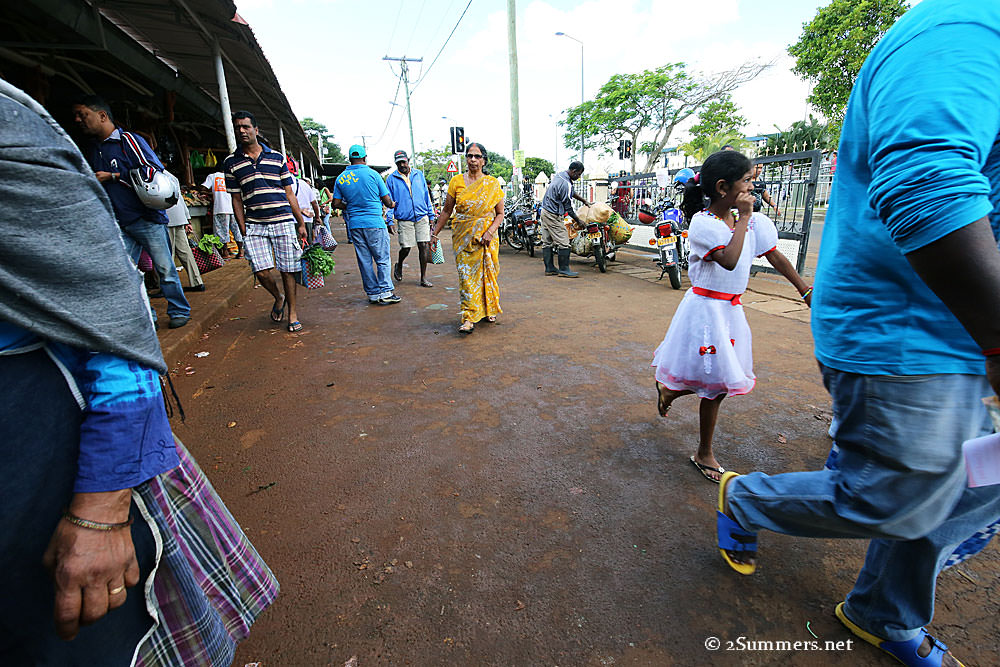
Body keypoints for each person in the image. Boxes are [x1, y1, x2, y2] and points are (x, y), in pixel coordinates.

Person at [714, 3, 1000, 665]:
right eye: (747, 184)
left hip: (965, 329)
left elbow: (772, 255)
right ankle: (747, 496)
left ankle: (884, 610)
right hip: (907, 331)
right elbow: (929, 187)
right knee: (890, 494)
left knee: (974, 481)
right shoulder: (968, 29)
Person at [0, 77, 277, 666]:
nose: (78, 123)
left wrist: (101, 509)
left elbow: (116, 321)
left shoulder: (15, 131)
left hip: (48, 463)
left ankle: (189, 307)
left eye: (83, 113)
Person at [652, 150, 810, 483]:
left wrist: (804, 290)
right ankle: (704, 451)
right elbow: (729, 259)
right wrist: (745, 219)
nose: (753, 187)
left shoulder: (751, 222)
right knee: (716, 381)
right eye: (748, 181)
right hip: (705, 312)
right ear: (724, 188)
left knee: (717, 380)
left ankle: (672, 395)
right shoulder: (702, 224)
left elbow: (774, 256)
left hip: (731, 312)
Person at [72, 95, 191, 330]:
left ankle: (179, 310)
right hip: (118, 221)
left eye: (83, 115)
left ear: (102, 115)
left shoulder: (128, 141)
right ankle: (148, 315)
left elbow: (153, 170)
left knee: (165, 269)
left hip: (147, 219)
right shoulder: (93, 149)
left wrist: (113, 176)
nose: (78, 120)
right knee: (127, 275)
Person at [223, 110, 309, 332]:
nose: (242, 131)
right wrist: (243, 229)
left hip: (282, 220)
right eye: (238, 127)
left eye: (246, 127)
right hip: (255, 224)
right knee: (260, 270)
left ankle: (292, 313)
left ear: (256, 130)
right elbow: (236, 199)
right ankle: (277, 296)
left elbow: (290, 194)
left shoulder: (277, 157)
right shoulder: (231, 163)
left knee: (288, 269)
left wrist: (300, 222)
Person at [430, 142, 505, 334]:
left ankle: (489, 308)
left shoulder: (492, 184)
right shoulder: (456, 182)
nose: (473, 159)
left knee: (487, 273)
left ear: (484, 160)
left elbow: (500, 214)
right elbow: (447, 210)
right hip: (463, 237)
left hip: (487, 238)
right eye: (470, 156)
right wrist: (434, 233)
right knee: (466, 277)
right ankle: (469, 317)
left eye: (477, 156)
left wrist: (489, 232)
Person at [331, 144, 400, 305]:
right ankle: (386, 292)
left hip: (354, 224)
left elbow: (335, 203)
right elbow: (387, 200)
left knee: (364, 260)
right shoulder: (373, 175)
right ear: (364, 157)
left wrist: (348, 206)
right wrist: (392, 205)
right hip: (374, 222)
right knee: (382, 258)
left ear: (350, 159)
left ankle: (373, 294)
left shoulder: (341, 178)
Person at [386, 149, 435, 287]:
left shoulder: (418, 174)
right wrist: (389, 220)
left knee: (423, 245)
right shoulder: (391, 179)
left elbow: (426, 197)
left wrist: (431, 215)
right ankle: (399, 264)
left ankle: (423, 277)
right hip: (404, 218)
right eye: (399, 163)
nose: (402, 165)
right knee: (406, 247)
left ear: (408, 160)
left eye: (404, 161)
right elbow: (389, 201)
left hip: (421, 215)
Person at [539, 160, 591, 278]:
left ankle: (550, 268)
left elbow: (571, 192)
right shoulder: (565, 183)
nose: (578, 177)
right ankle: (564, 269)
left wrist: (583, 201)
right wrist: (578, 220)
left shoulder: (560, 175)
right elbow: (568, 207)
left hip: (545, 211)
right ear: (573, 171)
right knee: (564, 242)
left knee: (547, 241)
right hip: (553, 214)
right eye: (578, 174)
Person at [164, 171, 205, 292]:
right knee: (185, 253)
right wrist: (187, 218)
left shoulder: (155, 175)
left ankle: (170, 287)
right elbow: (180, 198)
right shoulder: (171, 176)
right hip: (179, 216)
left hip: (167, 217)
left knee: (167, 254)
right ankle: (197, 282)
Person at [201, 169, 244, 259]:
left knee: (221, 231)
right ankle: (241, 251)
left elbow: (203, 188)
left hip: (220, 208)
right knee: (236, 230)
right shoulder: (231, 176)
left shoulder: (212, 176)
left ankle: (225, 253)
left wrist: (211, 192)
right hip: (233, 208)